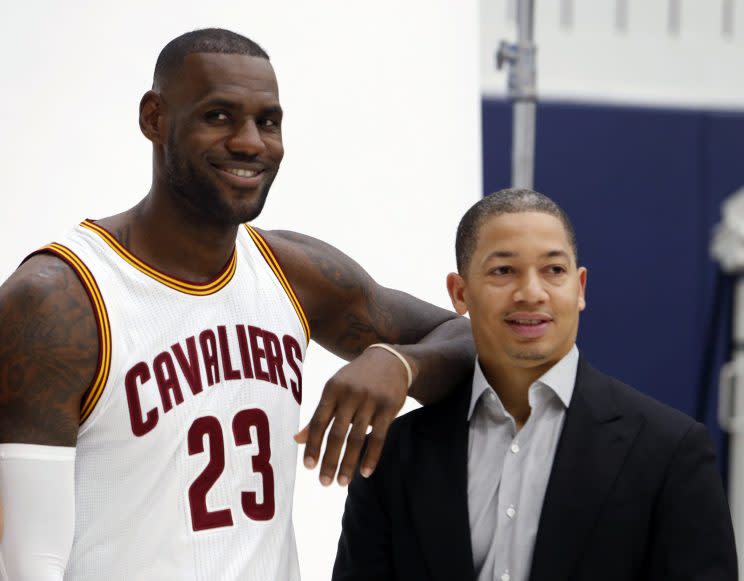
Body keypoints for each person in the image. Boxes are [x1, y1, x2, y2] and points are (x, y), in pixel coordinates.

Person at [0, 29, 475, 580]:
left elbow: (477, 342)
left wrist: (400, 362)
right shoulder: (59, 301)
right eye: (219, 116)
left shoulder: (292, 271)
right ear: (154, 118)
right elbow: (26, 563)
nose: (251, 142)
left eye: (267, 122)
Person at [333, 188, 738, 581]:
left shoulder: (670, 449)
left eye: (553, 270)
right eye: (504, 271)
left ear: (579, 288)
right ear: (460, 293)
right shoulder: (392, 456)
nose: (531, 292)